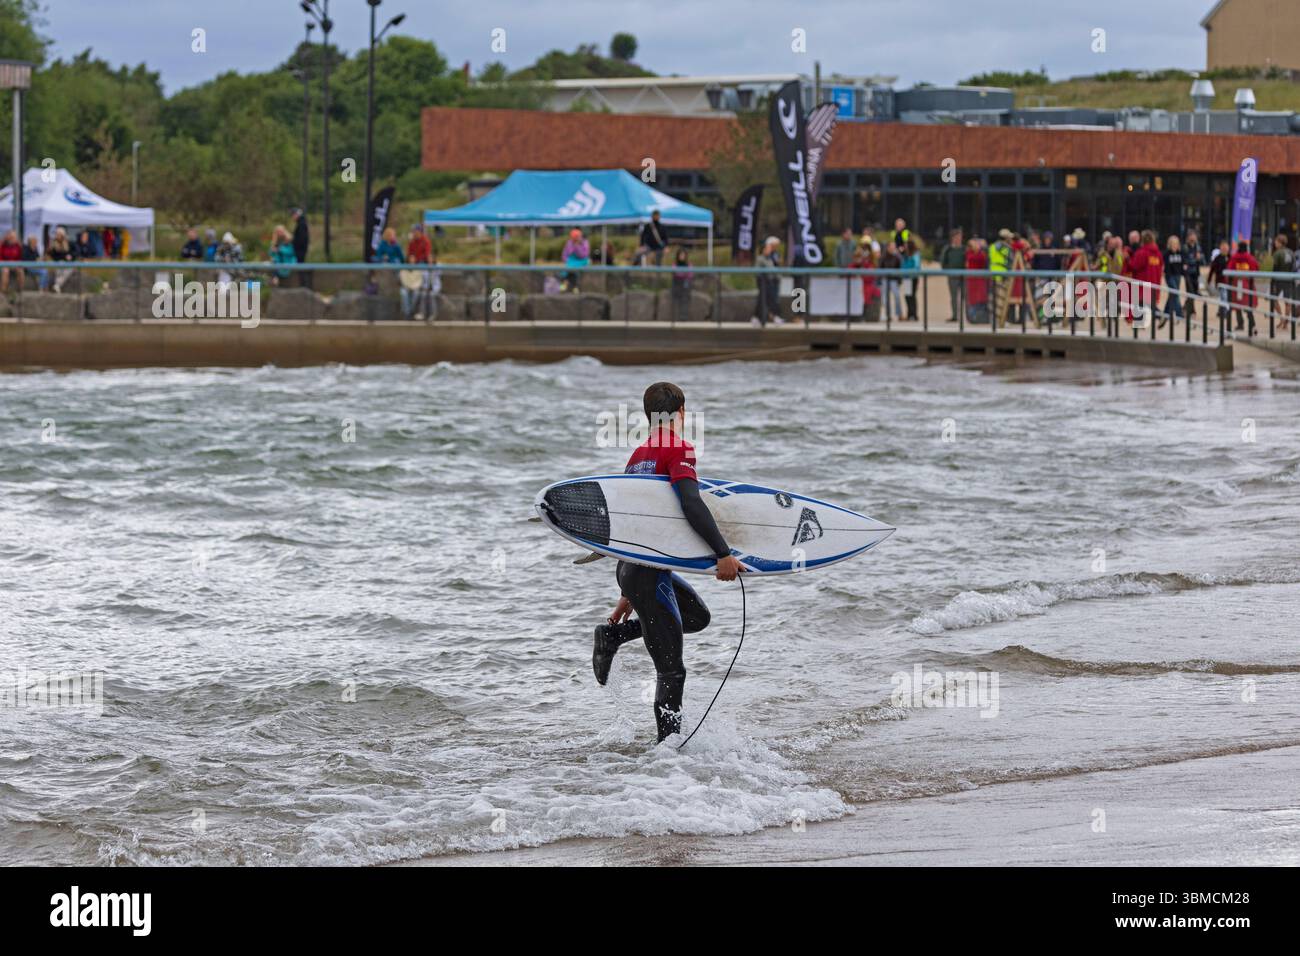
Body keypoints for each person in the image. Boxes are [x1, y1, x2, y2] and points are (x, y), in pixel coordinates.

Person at [593, 382, 743, 742]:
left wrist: (627, 592)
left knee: (697, 617)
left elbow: (638, 521)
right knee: (671, 672)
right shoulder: (678, 447)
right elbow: (691, 503)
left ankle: (613, 636)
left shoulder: (640, 454)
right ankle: (668, 756)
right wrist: (723, 554)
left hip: (636, 568)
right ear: (680, 413)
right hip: (645, 572)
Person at [1126, 230, 1164, 325]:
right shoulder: (1158, 253)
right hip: (1155, 281)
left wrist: (1127, 259)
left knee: (1142, 302)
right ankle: (1140, 323)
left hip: (1143, 281)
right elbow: (1161, 267)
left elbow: (1134, 266)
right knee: (1145, 302)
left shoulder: (1142, 252)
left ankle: (1159, 315)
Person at [1226, 240, 1260, 335]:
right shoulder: (1250, 258)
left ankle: (1240, 324)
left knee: (1237, 305)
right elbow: (1256, 269)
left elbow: (1229, 270)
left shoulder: (1234, 258)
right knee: (1248, 305)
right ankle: (1252, 324)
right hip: (1247, 285)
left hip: (1236, 284)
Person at [754, 235, 782, 325]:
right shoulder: (761, 259)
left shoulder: (772, 257)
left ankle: (772, 317)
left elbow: (776, 267)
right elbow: (758, 272)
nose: (770, 250)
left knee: (772, 300)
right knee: (764, 300)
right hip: (764, 282)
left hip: (772, 281)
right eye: (768, 248)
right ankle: (758, 318)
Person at [939, 228, 965, 321]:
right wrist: (947, 271)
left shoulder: (964, 249)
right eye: (957, 237)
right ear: (953, 238)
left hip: (963, 276)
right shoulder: (948, 249)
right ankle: (955, 316)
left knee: (965, 296)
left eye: (960, 237)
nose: (959, 238)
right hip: (953, 277)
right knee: (954, 297)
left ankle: (967, 315)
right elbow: (943, 262)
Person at [964, 238, 989, 324]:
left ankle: (979, 316)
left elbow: (982, 259)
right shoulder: (969, 253)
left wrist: (981, 248)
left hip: (980, 280)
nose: (976, 245)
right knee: (972, 299)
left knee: (980, 298)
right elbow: (971, 259)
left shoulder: (982, 254)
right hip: (971, 280)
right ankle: (971, 317)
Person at [1269, 234, 1293, 323]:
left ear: (1280, 243)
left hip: (1278, 280)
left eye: (1276, 241)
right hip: (1289, 279)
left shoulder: (1277, 253)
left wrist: (1272, 280)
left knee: (1273, 299)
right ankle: (1286, 322)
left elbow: (1274, 268)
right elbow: (1293, 267)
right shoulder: (1291, 252)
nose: (1275, 243)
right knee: (1287, 301)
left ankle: (1282, 318)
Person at [1162, 235, 1185, 327]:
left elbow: (1183, 263)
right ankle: (1179, 314)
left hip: (1177, 276)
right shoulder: (1166, 254)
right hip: (1169, 276)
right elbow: (1165, 266)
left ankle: (1166, 313)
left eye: (1176, 243)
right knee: (1175, 293)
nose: (1174, 245)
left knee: (1172, 295)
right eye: (1173, 243)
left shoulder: (1180, 253)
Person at [1208, 239, 1231, 325]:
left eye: (1226, 247)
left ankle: (1220, 311)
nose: (1225, 249)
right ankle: (1225, 312)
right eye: (1223, 247)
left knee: (1223, 297)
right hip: (1220, 281)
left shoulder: (1230, 257)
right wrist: (1209, 280)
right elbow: (1212, 269)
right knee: (1224, 296)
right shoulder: (1217, 259)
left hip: (1229, 282)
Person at [879, 240, 902, 321]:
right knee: (885, 299)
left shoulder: (897, 257)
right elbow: (880, 268)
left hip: (894, 280)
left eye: (894, 246)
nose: (893, 248)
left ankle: (899, 314)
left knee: (897, 296)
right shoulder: (883, 256)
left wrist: (899, 280)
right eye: (891, 246)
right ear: (888, 247)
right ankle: (888, 315)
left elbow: (899, 269)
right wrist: (880, 281)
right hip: (885, 280)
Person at [48, 227, 76, 293]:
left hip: (69, 263)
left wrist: (71, 256)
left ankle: (57, 285)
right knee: (60, 264)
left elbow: (75, 252)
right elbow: (54, 256)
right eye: (57, 234)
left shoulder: (69, 242)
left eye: (59, 234)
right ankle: (57, 285)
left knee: (70, 268)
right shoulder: (53, 243)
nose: (57, 236)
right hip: (58, 262)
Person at [562, 228, 590, 292]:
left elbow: (583, 255)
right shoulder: (569, 242)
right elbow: (565, 253)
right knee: (568, 270)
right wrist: (566, 260)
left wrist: (577, 246)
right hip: (571, 262)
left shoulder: (585, 242)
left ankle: (574, 286)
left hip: (582, 261)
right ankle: (571, 286)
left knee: (575, 271)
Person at [670, 247, 693, 323]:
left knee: (685, 297)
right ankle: (674, 318)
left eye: (683, 255)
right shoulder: (674, 264)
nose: (682, 256)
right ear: (678, 256)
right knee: (676, 297)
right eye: (680, 255)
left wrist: (681, 274)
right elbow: (675, 273)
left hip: (685, 283)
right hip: (677, 283)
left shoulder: (689, 264)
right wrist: (683, 273)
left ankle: (684, 317)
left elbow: (690, 275)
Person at [901, 238, 920, 321]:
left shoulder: (915, 254)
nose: (904, 247)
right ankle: (909, 314)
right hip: (906, 278)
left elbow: (916, 266)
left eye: (906, 245)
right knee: (907, 296)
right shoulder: (905, 255)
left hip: (912, 278)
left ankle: (914, 315)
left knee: (912, 296)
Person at [0, 230, 22, 294]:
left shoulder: (17, 246)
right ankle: (3, 291)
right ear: (7, 237)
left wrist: (16, 265)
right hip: (4, 265)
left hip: (14, 265)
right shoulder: (2, 245)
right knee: (5, 271)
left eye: (14, 237)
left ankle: (19, 291)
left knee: (20, 271)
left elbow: (20, 258)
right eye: (11, 237)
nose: (12, 239)